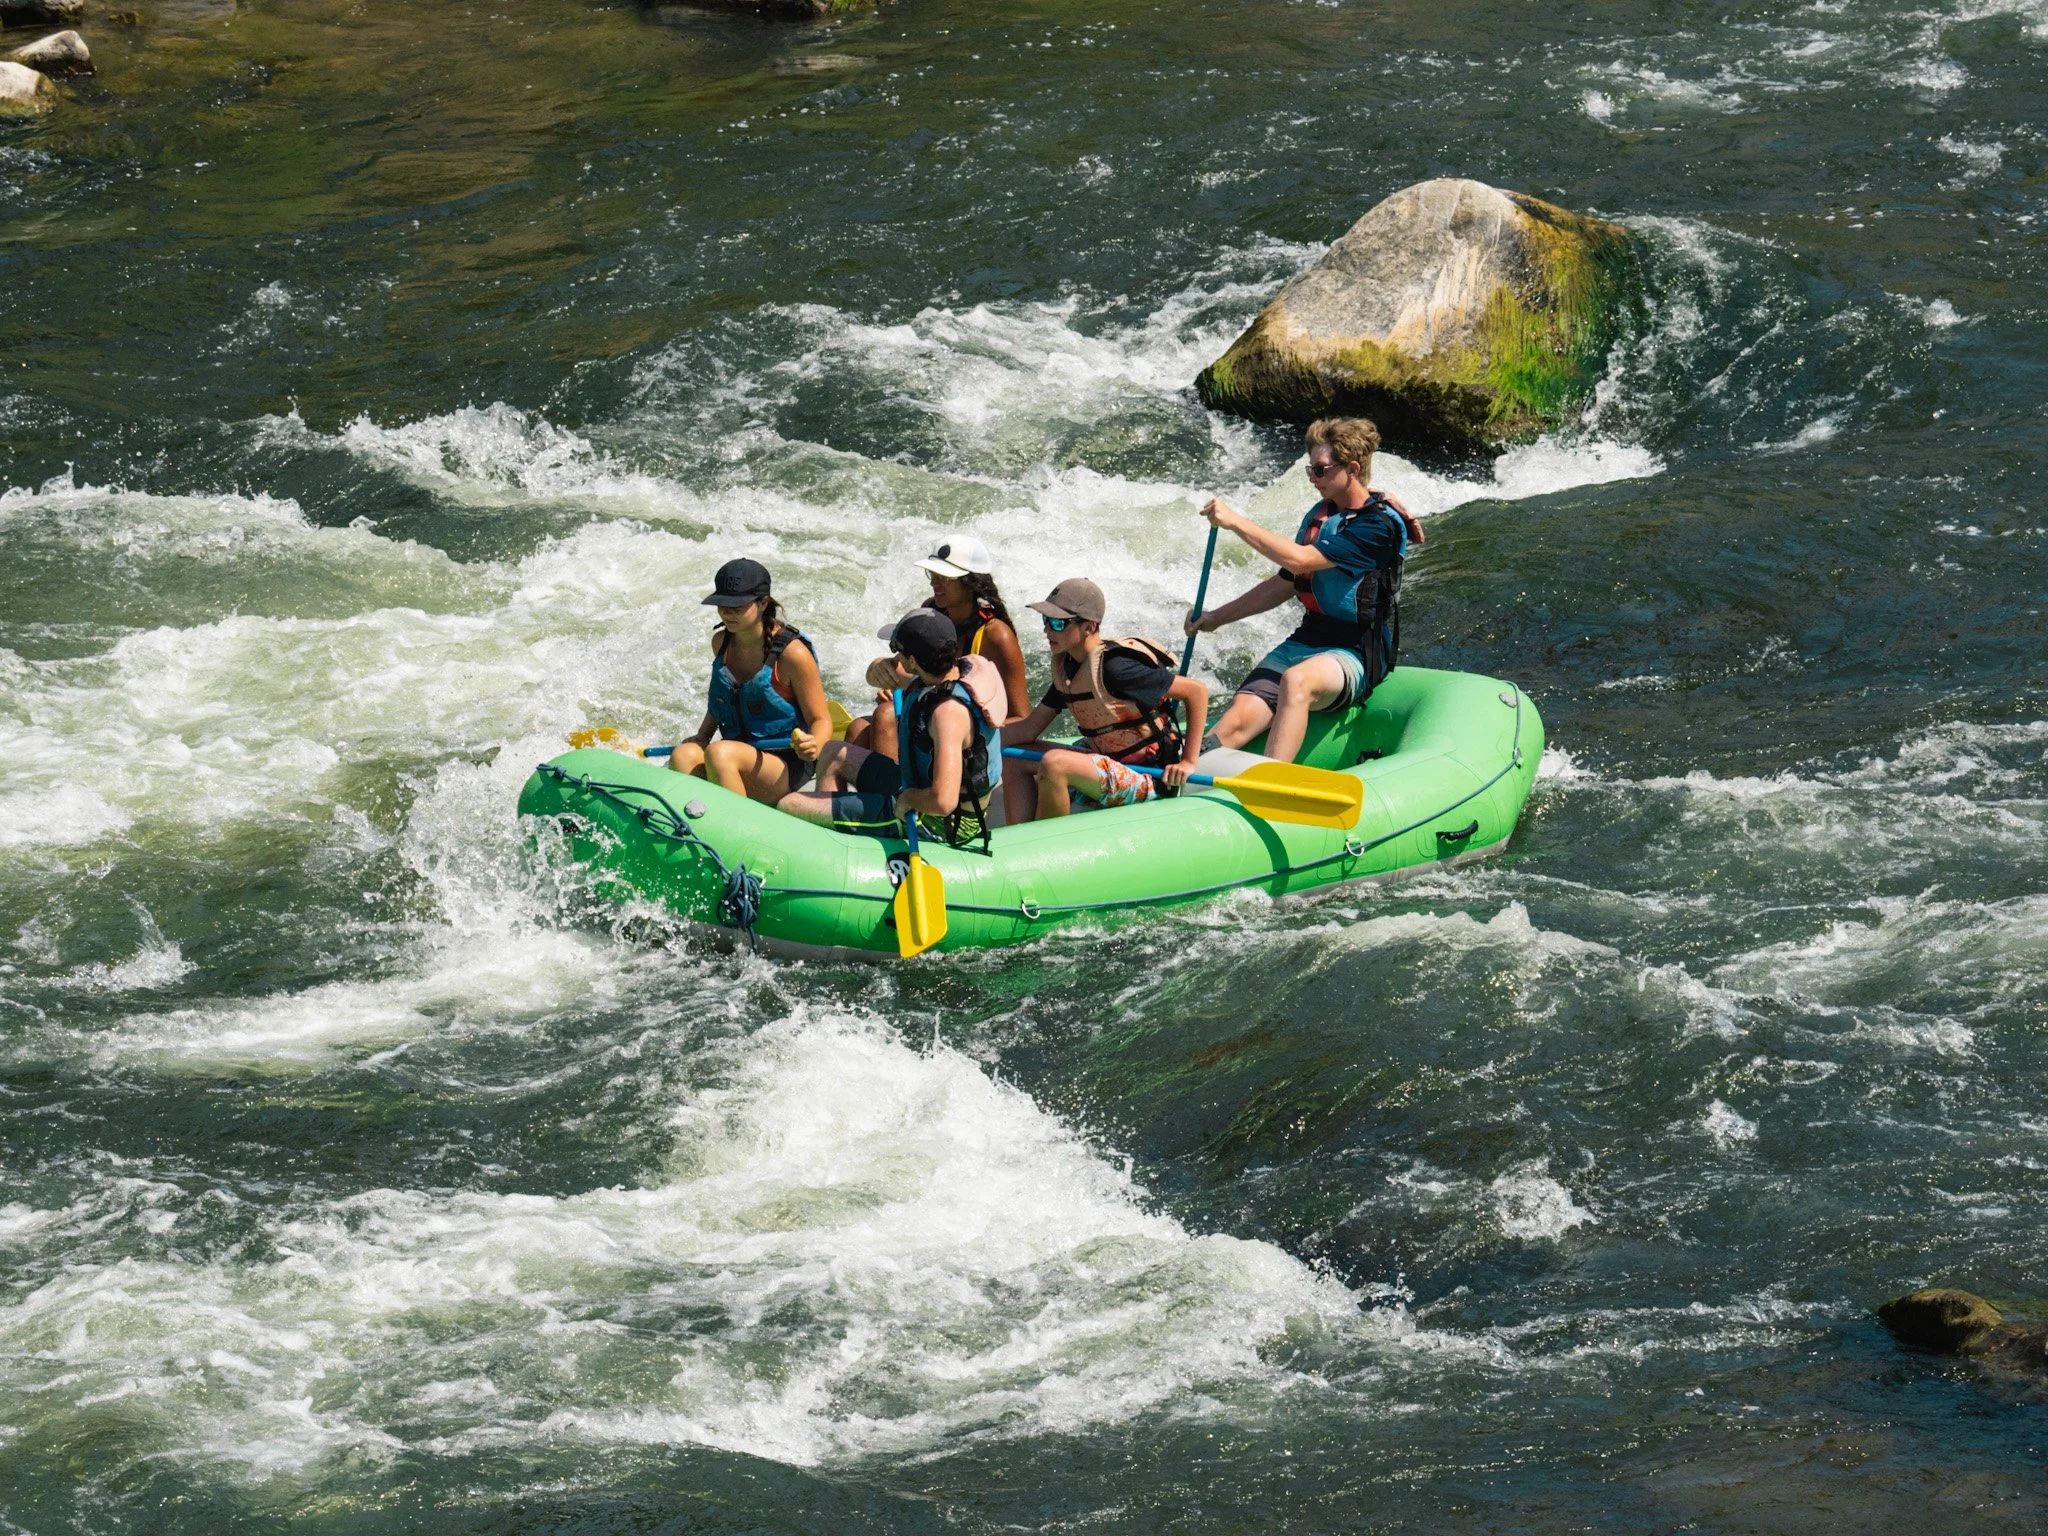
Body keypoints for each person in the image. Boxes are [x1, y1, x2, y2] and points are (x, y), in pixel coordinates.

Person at [1183, 417, 1423, 763]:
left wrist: (1235, 521)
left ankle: (1270, 784)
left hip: (1355, 651)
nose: (1313, 479)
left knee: (1296, 682)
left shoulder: (1378, 526)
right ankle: (1178, 782)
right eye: (1310, 470)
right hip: (1306, 640)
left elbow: (1300, 561)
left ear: (1352, 468)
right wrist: (1215, 618)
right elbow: (1286, 582)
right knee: (1233, 723)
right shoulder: (1323, 517)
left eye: (1321, 470)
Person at [781, 610, 1008, 849]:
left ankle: (836, 849)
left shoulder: (948, 715)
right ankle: (836, 842)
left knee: (791, 805)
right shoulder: (944, 672)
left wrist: (907, 799)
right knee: (833, 753)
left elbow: (943, 801)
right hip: (916, 790)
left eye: (897, 653)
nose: (894, 659)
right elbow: (878, 675)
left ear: (912, 661)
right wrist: (877, 666)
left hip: (940, 822)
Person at [1000, 578, 1208, 821]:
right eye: (1046, 620)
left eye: (1057, 623)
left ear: (1089, 627)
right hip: (1107, 764)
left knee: (1055, 764)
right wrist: (972, 741)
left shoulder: (1116, 669)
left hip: (1148, 777)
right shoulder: (1068, 667)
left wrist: (1188, 762)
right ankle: (1017, 837)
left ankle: (1042, 846)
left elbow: (1196, 691)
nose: (1047, 629)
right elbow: (1028, 729)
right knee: (1012, 756)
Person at [664, 558, 834, 805]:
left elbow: (821, 719)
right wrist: (702, 735)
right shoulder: (721, 642)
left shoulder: (792, 654)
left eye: (737, 606)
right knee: (684, 755)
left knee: (720, 753)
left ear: (763, 603)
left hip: (786, 762)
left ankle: (737, 830)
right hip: (739, 753)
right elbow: (723, 698)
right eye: (722, 604)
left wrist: (814, 743)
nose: (726, 612)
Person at [849, 534, 1029, 762]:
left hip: (963, 733)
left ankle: (899, 796)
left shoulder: (996, 635)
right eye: (932, 574)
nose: (934, 582)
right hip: (931, 716)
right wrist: (878, 668)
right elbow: (906, 667)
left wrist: (957, 733)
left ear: (970, 581)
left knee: (885, 716)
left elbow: (1022, 719)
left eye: (945, 577)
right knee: (858, 730)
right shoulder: (931, 610)